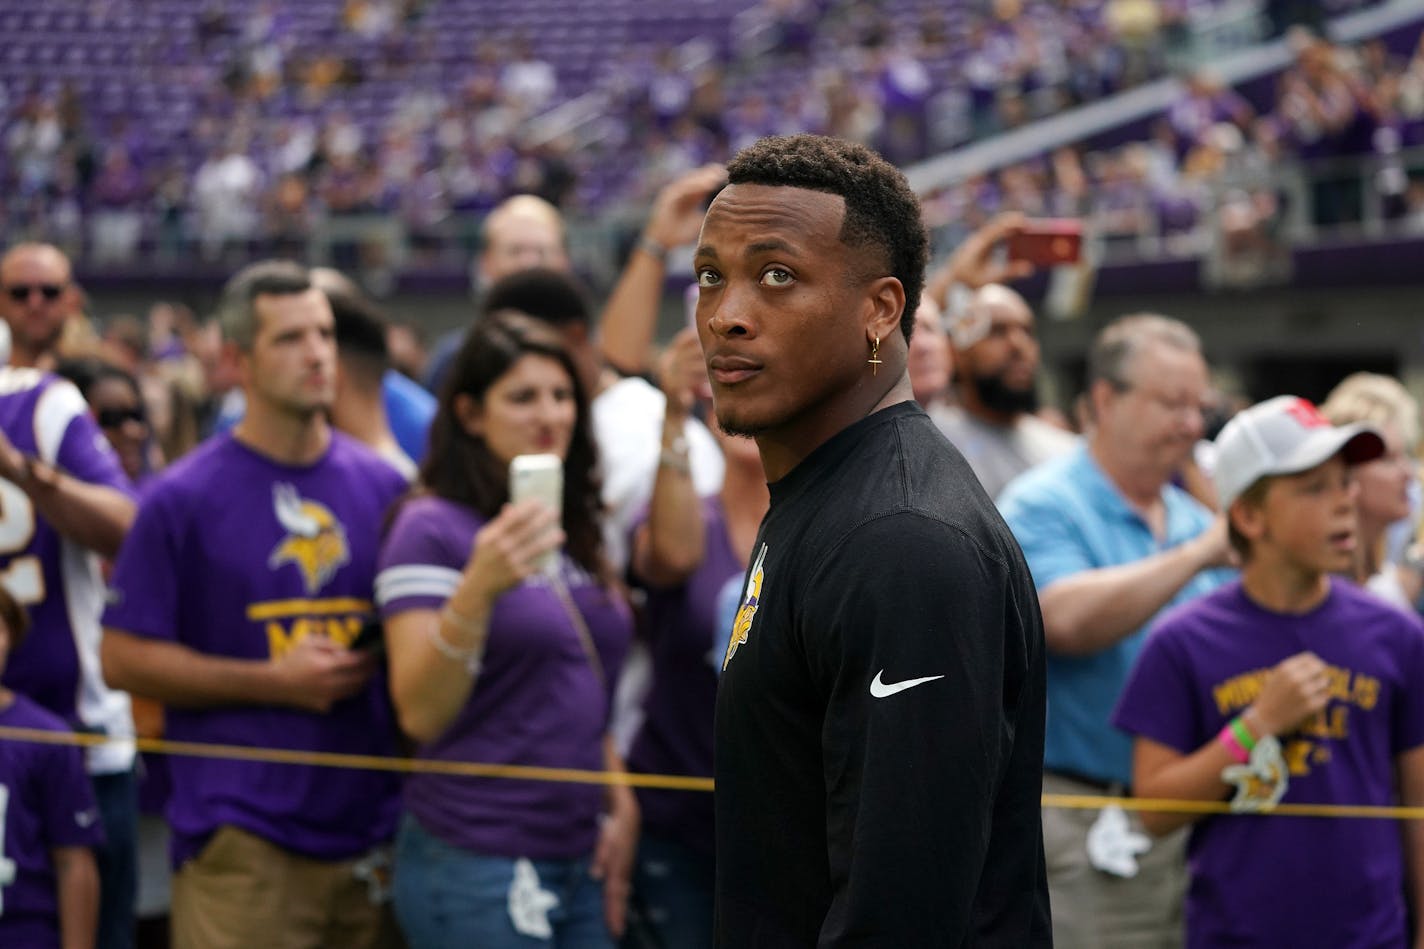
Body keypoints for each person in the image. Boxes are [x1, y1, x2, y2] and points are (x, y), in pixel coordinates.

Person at [700, 134, 1050, 945]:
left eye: (776, 275)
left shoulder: (902, 540)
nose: (727, 313)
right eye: (711, 274)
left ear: (881, 309)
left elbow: (898, 917)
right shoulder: (826, 491)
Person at [100, 261, 407, 949]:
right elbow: (119, 657)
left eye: (325, 333)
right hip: (242, 839)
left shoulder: (387, 486)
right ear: (236, 360)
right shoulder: (180, 498)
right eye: (292, 337)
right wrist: (272, 681)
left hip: (371, 835)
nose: (319, 353)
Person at [1112, 395, 1424, 948]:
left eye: (1345, 481)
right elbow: (1154, 810)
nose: (1345, 502)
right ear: (1250, 516)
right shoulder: (1182, 641)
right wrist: (1255, 726)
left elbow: (1418, 806)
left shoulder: (1396, 636)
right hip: (1233, 935)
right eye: (1314, 488)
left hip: (1373, 937)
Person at [375, 311, 636, 948]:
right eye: (522, 397)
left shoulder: (571, 526)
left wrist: (622, 803)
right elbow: (420, 712)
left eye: (562, 395)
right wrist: (478, 588)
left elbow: (572, 680)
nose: (550, 415)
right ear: (469, 414)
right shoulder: (432, 528)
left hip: (583, 849)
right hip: (477, 857)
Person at [997, 313, 1233, 949]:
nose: (1192, 425)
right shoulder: (1043, 502)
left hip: (1194, 824)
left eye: (1199, 407)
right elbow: (1063, 619)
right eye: (1172, 404)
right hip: (1084, 821)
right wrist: (1198, 555)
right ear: (1106, 400)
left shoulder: (1189, 517)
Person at [622, 328, 769, 949]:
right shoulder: (681, 514)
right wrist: (673, 412)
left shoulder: (824, 525)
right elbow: (670, 558)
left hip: (785, 832)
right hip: (677, 826)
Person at [935, 282, 1077, 501]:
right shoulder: (930, 443)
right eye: (997, 331)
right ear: (956, 351)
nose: (1018, 345)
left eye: (1027, 331)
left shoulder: (1066, 453)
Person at [424, 194, 573, 394]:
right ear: (486, 262)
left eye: (542, 251)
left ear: (564, 262)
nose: (528, 263)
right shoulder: (455, 358)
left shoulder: (591, 354)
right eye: (515, 251)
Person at [1319, 372, 1423, 609]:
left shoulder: (1380, 575)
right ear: (1345, 472)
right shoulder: (1320, 583)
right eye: (1388, 460)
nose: (1408, 472)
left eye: (1405, 454)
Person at [0, 242, 82, 370]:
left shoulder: (101, 383)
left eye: (50, 292)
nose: (35, 304)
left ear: (72, 300)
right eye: (20, 293)